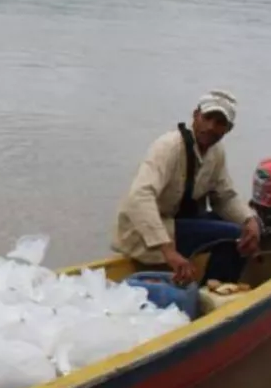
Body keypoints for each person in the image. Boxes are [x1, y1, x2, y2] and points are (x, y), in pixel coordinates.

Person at [111, 89, 262, 286]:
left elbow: (224, 197)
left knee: (244, 229)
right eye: (207, 118)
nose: (210, 127)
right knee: (232, 236)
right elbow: (139, 197)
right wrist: (168, 250)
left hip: (177, 223)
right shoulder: (168, 147)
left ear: (228, 129)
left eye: (219, 123)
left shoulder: (216, 152)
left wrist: (249, 220)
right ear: (195, 115)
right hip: (147, 232)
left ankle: (214, 286)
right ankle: (210, 294)